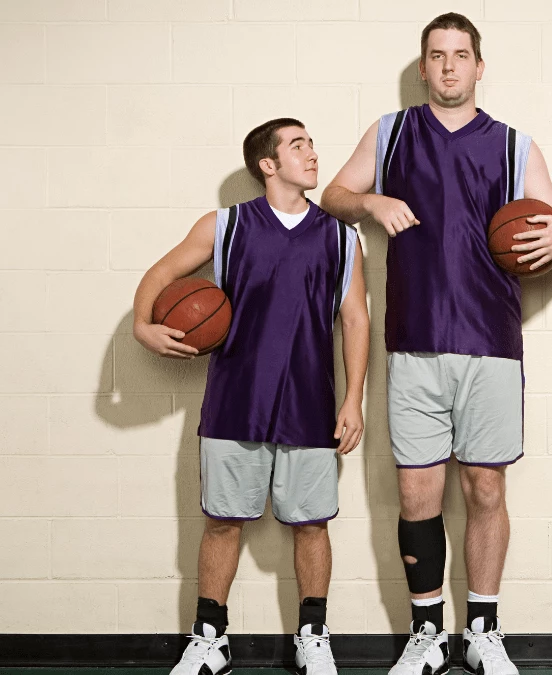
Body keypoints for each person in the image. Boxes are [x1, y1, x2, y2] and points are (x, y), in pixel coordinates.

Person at [320, 13, 552, 675]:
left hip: (492, 342)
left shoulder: (514, 146)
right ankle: (427, 634)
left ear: (478, 66)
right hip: (413, 342)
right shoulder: (390, 132)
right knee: (418, 496)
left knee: (487, 488)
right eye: (436, 55)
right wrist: (371, 203)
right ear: (422, 66)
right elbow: (331, 195)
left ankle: (484, 632)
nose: (447, 67)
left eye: (460, 55)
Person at [132, 118, 370, 675]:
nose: (312, 153)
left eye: (310, 143)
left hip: (310, 402)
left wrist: (353, 397)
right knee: (222, 521)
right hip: (236, 400)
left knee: (311, 524)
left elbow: (356, 320)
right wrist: (144, 327)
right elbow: (159, 272)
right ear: (268, 164)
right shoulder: (225, 225)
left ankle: (313, 636)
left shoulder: (340, 237)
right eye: (298, 145)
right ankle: (210, 639)